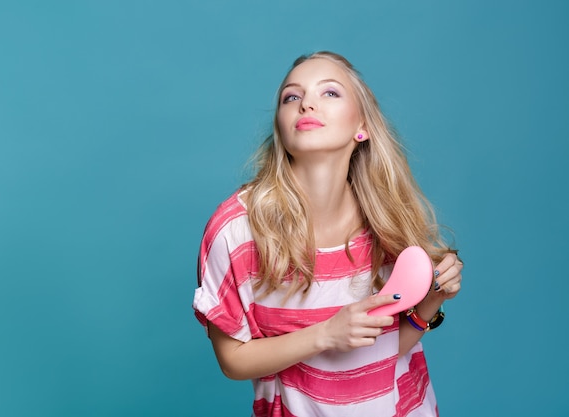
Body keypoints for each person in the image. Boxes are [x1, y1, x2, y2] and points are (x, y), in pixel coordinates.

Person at [193, 51, 463, 416]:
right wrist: (326, 334)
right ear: (280, 125)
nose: (306, 104)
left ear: (362, 126)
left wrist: (431, 300)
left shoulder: (385, 219)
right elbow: (232, 361)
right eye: (292, 96)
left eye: (329, 93)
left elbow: (380, 352)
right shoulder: (238, 231)